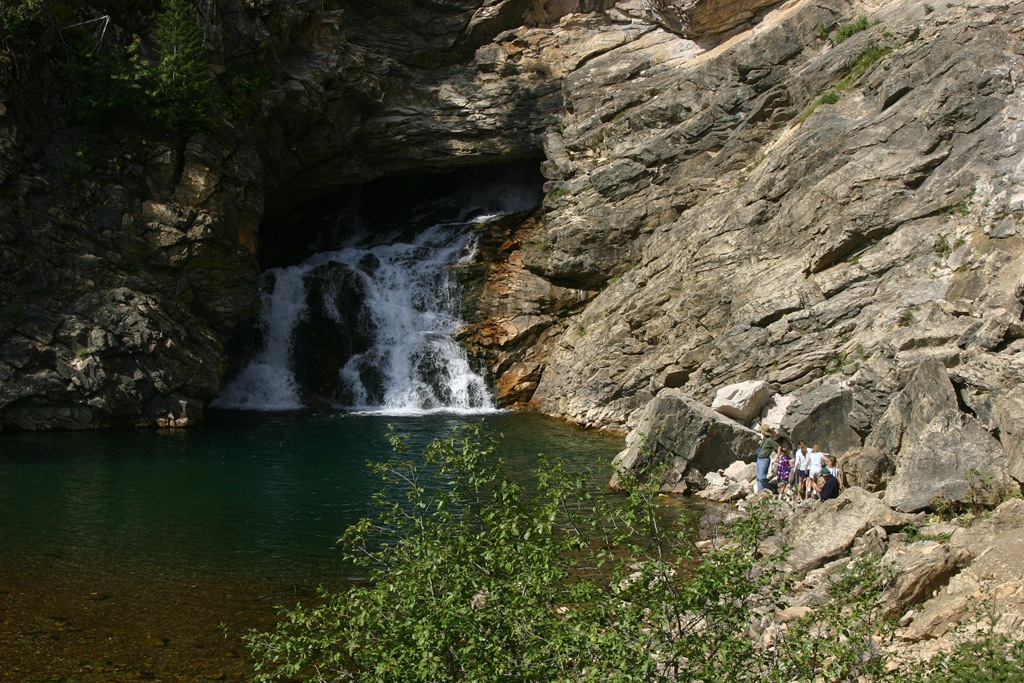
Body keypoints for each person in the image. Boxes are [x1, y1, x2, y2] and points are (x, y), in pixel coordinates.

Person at [755, 424, 779, 492]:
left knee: (762, 478)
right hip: (759, 459)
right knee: (759, 478)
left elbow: (778, 447)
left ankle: (770, 488)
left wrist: (778, 456)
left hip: (764, 459)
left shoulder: (770, 440)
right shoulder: (764, 439)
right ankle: (760, 492)